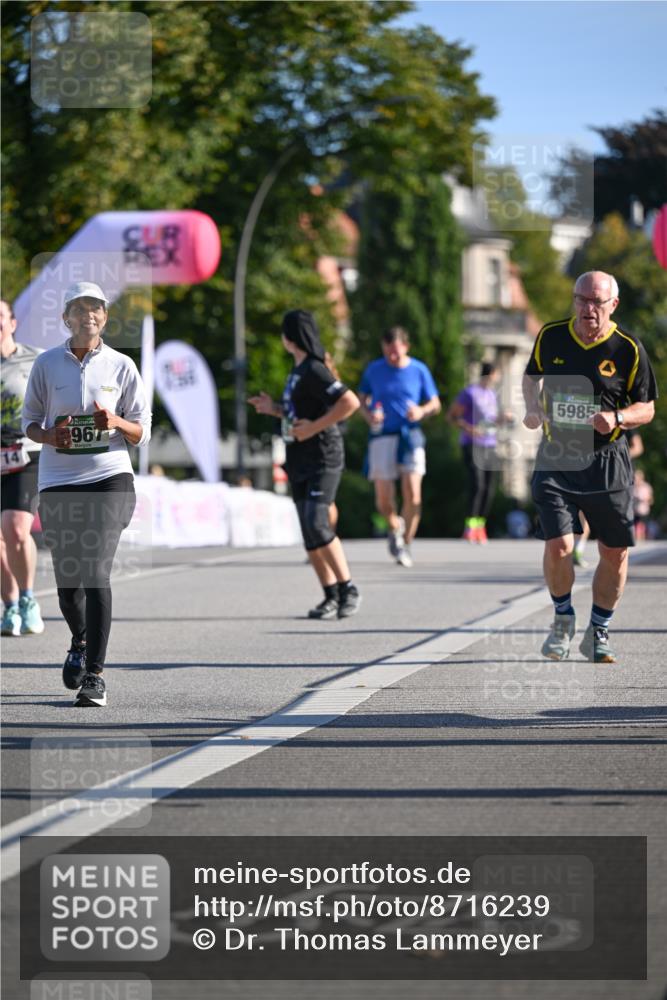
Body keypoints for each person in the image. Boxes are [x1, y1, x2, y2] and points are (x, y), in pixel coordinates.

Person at [22, 282, 151, 706]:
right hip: (58, 481)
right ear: (66, 318)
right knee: (67, 584)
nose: (88, 315)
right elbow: (30, 425)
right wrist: (51, 435)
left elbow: (141, 432)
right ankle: (79, 640)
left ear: (105, 318)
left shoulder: (121, 365)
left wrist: (114, 421)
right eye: (80, 309)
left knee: (95, 571)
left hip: (110, 477)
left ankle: (94, 674)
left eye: (96, 309)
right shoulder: (45, 364)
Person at [522, 270, 658, 664]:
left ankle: (599, 628)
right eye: (581, 299)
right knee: (560, 543)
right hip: (557, 454)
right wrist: (532, 406)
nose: (588, 309)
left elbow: (647, 408)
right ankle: (563, 618)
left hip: (607, 459)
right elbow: (532, 377)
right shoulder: (551, 336)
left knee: (614, 551)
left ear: (612, 305)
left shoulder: (628, 349)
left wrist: (616, 419)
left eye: (597, 302)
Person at [248, 310, 361, 619]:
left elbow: (350, 402)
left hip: (324, 456)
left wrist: (314, 427)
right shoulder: (296, 370)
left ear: (289, 338)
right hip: (299, 457)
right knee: (308, 531)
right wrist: (274, 409)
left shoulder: (314, 368)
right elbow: (298, 411)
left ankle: (348, 587)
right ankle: (330, 595)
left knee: (318, 522)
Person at [358, 327, 440, 567]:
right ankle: (395, 526)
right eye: (387, 352)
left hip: (411, 435)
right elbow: (360, 398)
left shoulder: (418, 370)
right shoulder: (374, 369)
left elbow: (435, 403)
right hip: (382, 435)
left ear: (406, 347)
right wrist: (368, 415)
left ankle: (404, 544)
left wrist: (421, 411)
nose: (391, 357)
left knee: (413, 495)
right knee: (383, 500)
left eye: (395, 352)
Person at [1, 298, 45, 636]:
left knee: (15, 528)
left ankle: (29, 599)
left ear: (12, 323)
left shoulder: (38, 359)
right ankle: (10, 605)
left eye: (0, 317)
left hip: (25, 453)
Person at [448, 360, 512, 543]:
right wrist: (468, 428)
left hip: (490, 444)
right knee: (477, 483)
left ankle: (479, 526)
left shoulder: (492, 395)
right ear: (491, 374)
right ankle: (469, 526)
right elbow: (451, 416)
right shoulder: (470, 393)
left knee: (489, 487)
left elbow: (491, 422)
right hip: (472, 444)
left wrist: (503, 419)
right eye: (497, 374)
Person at [632, 469, 653, 541]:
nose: (636, 479)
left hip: (643, 511)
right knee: (635, 528)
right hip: (634, 511)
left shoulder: (646, 487)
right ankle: (637, 542)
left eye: (637, 477)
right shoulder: (632, 487)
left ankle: (642, 541)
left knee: (642, 527)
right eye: (635, 477)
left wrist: (644, 500)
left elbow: (651, 500)